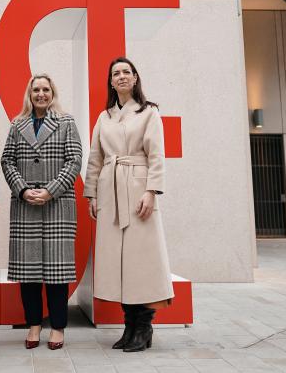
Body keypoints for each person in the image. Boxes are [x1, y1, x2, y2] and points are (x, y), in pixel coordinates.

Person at [83, 56, 174, 353]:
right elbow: (95, 158)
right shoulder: (104, 117)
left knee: (141, 261)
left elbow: (156, 155)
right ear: (110, 81)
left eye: (126, 72)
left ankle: (144, 326)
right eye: (115, 73)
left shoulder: (149, 113)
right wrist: (92, 193)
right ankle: (129, 326)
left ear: (135, 78)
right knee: (118, 263)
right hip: (110, 192)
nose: (121, 77)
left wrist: (151, 191)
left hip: (137, 191)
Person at [1, 74, 82, 350]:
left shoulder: (66, 122)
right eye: (36, 90)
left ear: (52, 93)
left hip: (57, 205)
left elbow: (74, 161)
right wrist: (23, 190)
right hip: (26, 207)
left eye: (46, 89)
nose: (41, 94)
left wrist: (51, 190)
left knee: (57, 272)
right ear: (29, 93)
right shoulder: (17, 123)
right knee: (29, 272)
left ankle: (57, 327)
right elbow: (7, 160)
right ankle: (34, 325)